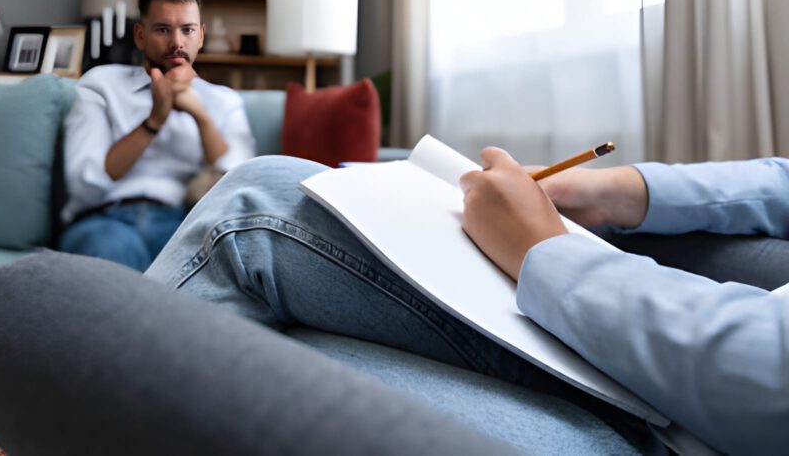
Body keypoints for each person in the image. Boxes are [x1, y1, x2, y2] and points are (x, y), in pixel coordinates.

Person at [145, 151, 789, 454]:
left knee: (251, 217)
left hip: (687, 418)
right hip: (659, 363)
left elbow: (765, 380)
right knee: (263, 276)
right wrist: (615, 191)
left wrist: (542, 248)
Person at [60, 0, 255, 270]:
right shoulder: (101, 85)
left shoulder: (223, 101)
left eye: (187, 30)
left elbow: (238, 187)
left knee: (223, 261)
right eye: (163, 30)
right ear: (140, 35)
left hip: (182, 224)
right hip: (104, 221)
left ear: (200, 36)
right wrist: (155, 119)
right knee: (113, 251)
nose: (177, 43)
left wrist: (200, 116)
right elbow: (85, 184)